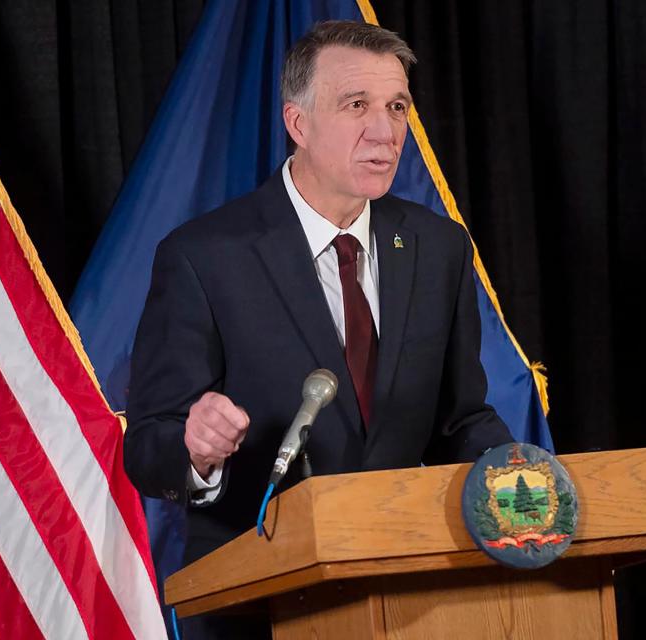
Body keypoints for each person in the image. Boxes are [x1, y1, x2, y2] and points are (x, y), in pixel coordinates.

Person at [124, 20, 514, 639]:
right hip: (257, 601)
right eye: (356, 106)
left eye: (397, 107)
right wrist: (195, 450)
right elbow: (148, 445)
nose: (385, 133)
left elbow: (458, 421)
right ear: (298, 123)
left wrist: (522, 476)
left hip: (403, 594)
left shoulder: (438, 248)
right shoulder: (205, 256)